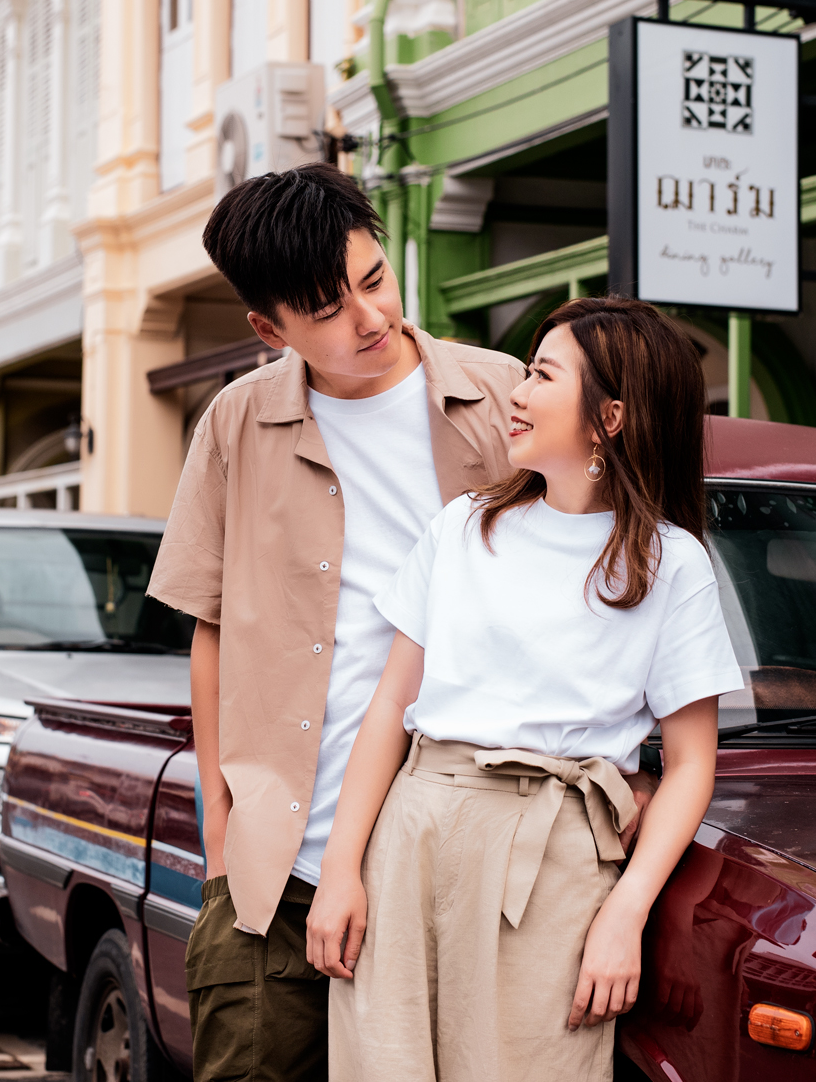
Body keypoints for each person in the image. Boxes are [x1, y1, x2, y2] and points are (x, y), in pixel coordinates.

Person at [148, 163, 531, 1082]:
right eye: (327, 308)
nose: (370, 318)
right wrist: (221, 838)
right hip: (274, 877)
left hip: (446, 861)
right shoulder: (235, 424)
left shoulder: (500, 397)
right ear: (269, 328)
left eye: (374, 280)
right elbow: (211, 627)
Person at [304, 296, 742, 1082]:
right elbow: (387, 710)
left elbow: (691, 766)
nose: (515, 391)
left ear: (609, 415)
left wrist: (625, 911)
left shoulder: (670, 565)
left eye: (542, 374)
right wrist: (342, 868)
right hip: (415, 835)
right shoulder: (464, 528)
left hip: (555, 861)